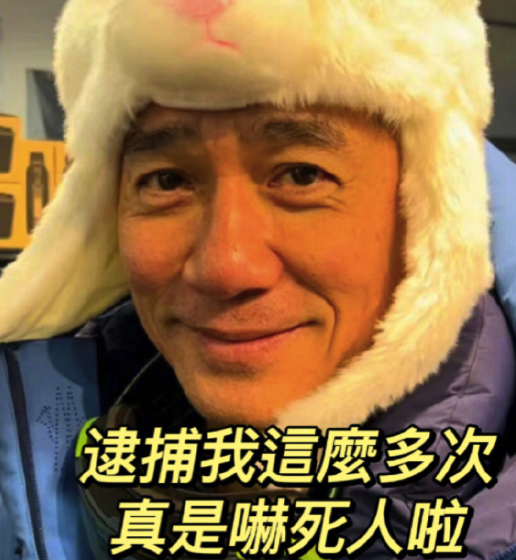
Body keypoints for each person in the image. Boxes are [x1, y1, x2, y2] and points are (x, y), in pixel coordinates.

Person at [1, 0, 516, 559]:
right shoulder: (26, 452)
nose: (225, 267)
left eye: (302, 175)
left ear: (431, 211)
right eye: (167, 181)